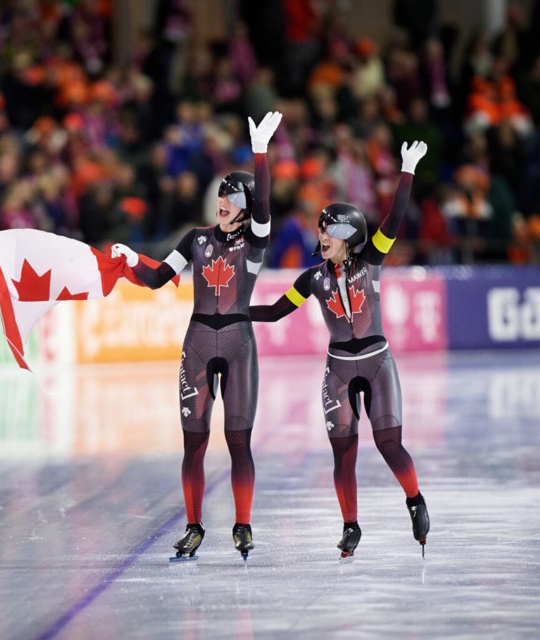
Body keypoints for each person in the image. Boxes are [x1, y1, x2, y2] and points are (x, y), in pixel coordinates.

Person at [111, 111, 282, 561]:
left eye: (231, 196)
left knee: (239, 441)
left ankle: (242, 525)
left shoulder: (255, 243)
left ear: (245, 208)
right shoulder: (195, 239)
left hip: (239, 346)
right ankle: (193, 527)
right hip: (198, 346)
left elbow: (264, 209)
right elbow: (156, 278)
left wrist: (260, 153)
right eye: (220, 194)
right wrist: (130, 261)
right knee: (194, 442)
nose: (221, 200)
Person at [249, 140, 431, 559]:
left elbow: (396, 217)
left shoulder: (372, 261)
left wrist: (407, 170)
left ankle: (415, 500)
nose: (321, 235)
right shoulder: (312, 279)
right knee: (343, 454)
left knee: (389, 443)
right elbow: (277, 311)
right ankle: (350, 525)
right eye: (320, 229)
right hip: (339, 370)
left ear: (349, 235)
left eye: (328, 229)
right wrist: (239, 314)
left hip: (377, 363)